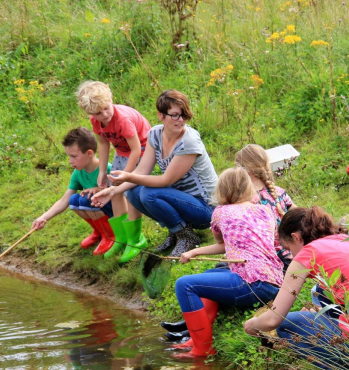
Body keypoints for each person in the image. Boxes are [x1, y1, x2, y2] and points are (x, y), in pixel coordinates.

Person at [243, 206, 349, 370]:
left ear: (296, 237)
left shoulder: (308, 253)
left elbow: (273, 319)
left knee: (286, 325)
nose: (292, 255)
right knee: (319, 292)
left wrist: (253, 324)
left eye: (289, 248)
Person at [171, 167, 284, 358]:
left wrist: (193, 251)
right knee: (206, 278)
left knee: (184, 285)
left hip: (252, 283)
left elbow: (221, 243)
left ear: (222, 190)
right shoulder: (266, 211)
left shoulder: (220, 212)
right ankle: (195, 338)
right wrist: (195, 252)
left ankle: (202, 349)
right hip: (274, 281)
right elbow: (232, 245)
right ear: (248, 188)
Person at [91, 90, 218, 257]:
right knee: (134, 192)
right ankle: (176, 231)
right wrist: (113, 191)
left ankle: (187, 237)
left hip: (206, 208)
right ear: (160, 115)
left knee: (149, 193)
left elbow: (166, 180)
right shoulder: (155, 134)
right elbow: (142, 170)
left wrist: (127, 176)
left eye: (184, 115)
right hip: (182, 200)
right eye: (174, 115)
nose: (181, 120)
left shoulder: (189, 141)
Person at [77, 81, 151, 263]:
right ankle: (122, 238)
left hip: (143, 149)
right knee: (114, 191)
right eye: (97, 113)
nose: (104, 115)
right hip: (121, 152)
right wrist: (102, 171)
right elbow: (103, 143)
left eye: (106, 109)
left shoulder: (123, 119)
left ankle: (136, 239)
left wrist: (126, 176)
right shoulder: (96, 120)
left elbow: (135, 149)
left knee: (129, 190)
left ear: (110, 100)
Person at [31, 127, 115, 256]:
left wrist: (99, 189)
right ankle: (98, 231)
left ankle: (109, 235)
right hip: (95, 208)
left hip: (113, 212)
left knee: (86, 199)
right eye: (68, 156)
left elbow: (120, 193)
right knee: (74, 200)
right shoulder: (78, 172)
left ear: (89, 153)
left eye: (74, 156)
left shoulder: (107, 168)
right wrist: (44, 218)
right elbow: (64, 200)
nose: (70, 161)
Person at [234, 144, 295, 271]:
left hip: (265, 265)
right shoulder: (278, 192)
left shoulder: (244, 202)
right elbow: (302, 217)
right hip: (290, 259)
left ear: (243, 170)